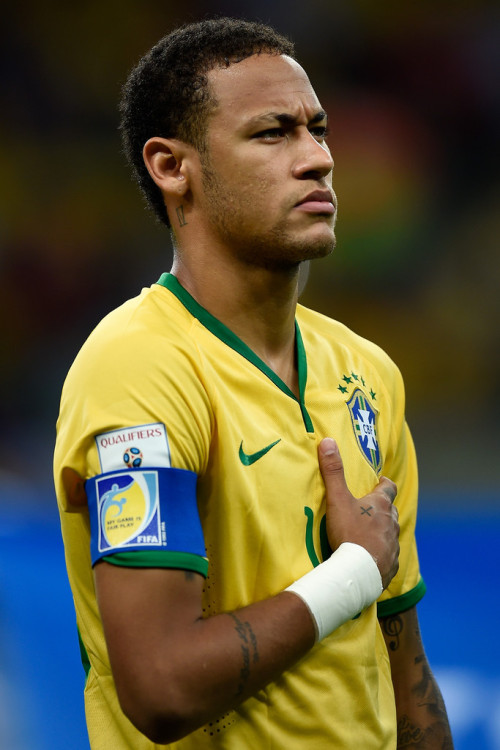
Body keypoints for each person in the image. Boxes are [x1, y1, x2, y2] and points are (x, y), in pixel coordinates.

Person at [54, 17, 454, 750]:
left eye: (318, 129)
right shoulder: (140, 368)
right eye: (274, 133)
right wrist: (354, 571)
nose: (319, 159)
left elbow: (405, 673)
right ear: (173, 167)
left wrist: (369, 580)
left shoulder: (368, 372)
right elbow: (161, 688)